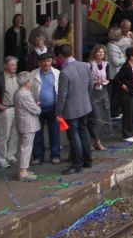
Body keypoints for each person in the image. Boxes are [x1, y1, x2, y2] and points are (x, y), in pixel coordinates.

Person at [55, 45, 93, 175]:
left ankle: (77, 163)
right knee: (84, 131)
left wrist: (59, 112)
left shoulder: (64, 72)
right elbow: (90, 84)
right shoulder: (85, 65)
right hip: (85, 105)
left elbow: (62, 95)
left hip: (71, 108)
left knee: (74, 135)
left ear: (61, 57)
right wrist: (86, 97)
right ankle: (88, 159)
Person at [30, 51, 61, 165]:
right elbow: (28, 91)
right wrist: (33, 102)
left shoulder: (57, 73)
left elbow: (61, 92)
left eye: (48, 61)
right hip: (38, 108)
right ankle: (38, 156)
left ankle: (55, 155)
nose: (46, 63)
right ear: (39, 63)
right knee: (37, 133)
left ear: (52, 61)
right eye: (43, 61)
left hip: (53, 107)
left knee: (54, 133)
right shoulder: (32, 74)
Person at [13, 71, 40, 181]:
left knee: (23, 147)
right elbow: (35, 110)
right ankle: (22, 171)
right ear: (27, 82)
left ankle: (23, 169)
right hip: (27, 124)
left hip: (23, 123)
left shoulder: (19, 92)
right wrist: (37, 106)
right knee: (26, 148)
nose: (32, 82)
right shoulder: (24, 94)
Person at [0, 56, 19, 168]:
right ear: (5, 66)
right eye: (12, 65)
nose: (14, 67)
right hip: (6, 109)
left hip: (16, 108)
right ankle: (1, 158)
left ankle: (10, 154)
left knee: (14, 133)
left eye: (15, 65)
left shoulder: (17, 77)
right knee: (4, 135)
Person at [88, 45, 111, 151]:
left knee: (103, 117)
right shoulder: (90, 65)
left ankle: (97, 141)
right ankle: (95, 141)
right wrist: (95, 82)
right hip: (93, 93)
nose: (101, 54)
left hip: (103, 92)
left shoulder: (106, 65)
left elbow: (109, 78)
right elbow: (87, 81)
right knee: (96, 118)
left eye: (103, 52)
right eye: (99, 52)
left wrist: (105, 81)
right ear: (94, 53)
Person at [115, 46, 133, 143]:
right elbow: (117, 78)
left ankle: (132, 132)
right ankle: (126, 134)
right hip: (128, 94)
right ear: (131, 57)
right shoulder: (126, 66)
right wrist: (123, 86)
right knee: (128, 113)